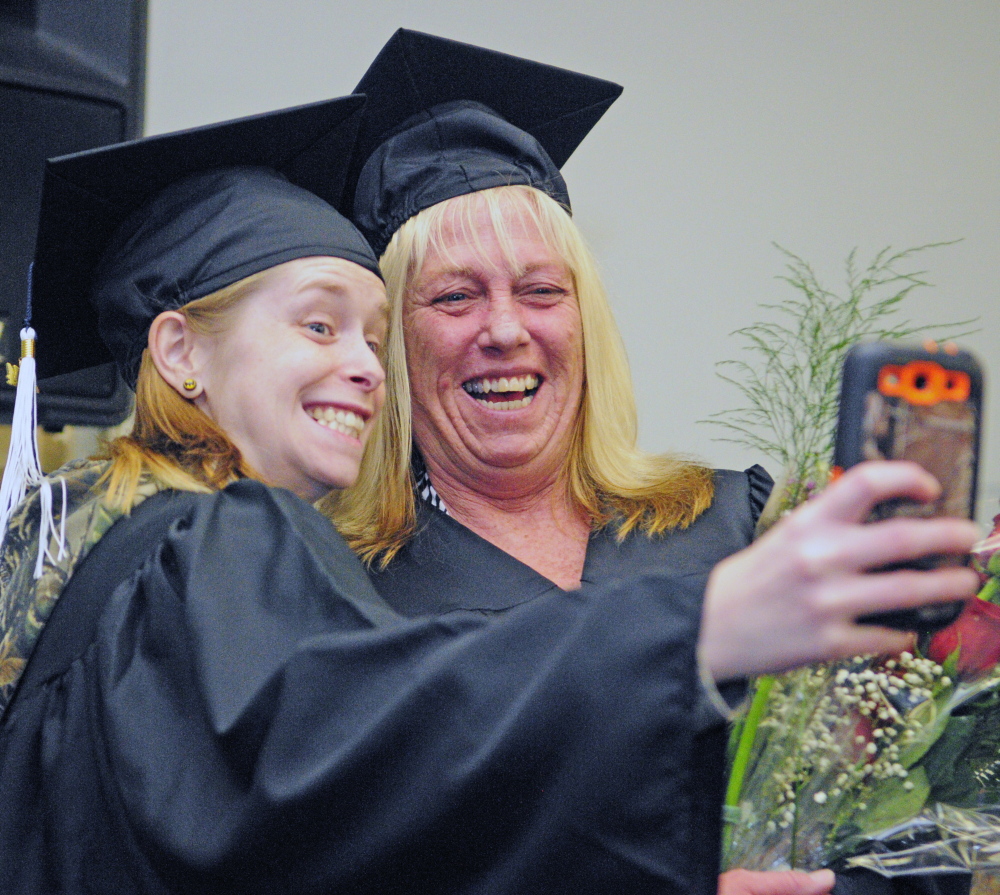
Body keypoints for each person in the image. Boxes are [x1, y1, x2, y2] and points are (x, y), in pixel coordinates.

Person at [330, 30, 978, 895]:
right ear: (394, 346)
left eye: (541, 290)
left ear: (585, 320)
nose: (505, 330)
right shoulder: (347, 599)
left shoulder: (737, 522)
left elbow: (917, 820)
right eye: (453, 296)